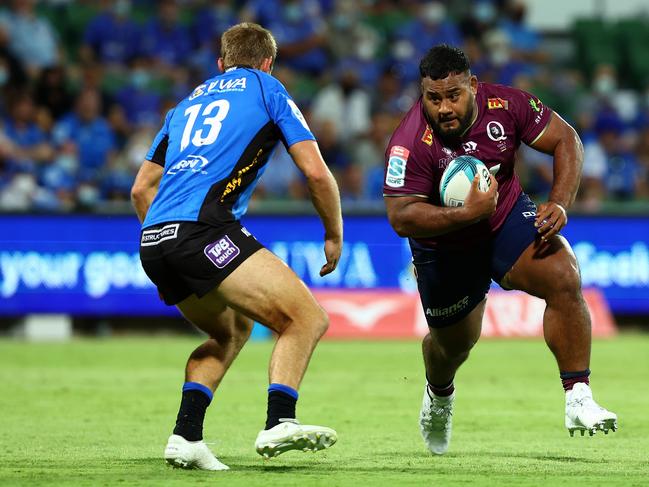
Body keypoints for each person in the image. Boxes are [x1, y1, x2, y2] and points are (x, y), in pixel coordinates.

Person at [382, 44, 617, 455]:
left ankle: (577, 395)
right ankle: (439, 394)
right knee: (453, 347)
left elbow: (567, 140)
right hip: (443, 248)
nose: (443, 108)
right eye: (433, 98)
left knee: (563, 275)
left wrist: (560, 201)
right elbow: (401, 217)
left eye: (453, 95)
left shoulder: (506, 105)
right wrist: (465, 214)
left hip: (503, 220)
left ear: (472, 85)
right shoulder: (409, 141)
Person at [130, 22, 342, 470]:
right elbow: (317, 173)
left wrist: (166, 239)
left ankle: (186, 436)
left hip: (154, 239)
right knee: (305, 318)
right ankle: (279, 421)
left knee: (230, 331)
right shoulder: (268, 88)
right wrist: (333, 233)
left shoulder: (184, 105)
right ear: (267, 62)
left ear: (220, 63)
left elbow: (139, 190)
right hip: (204, 230)